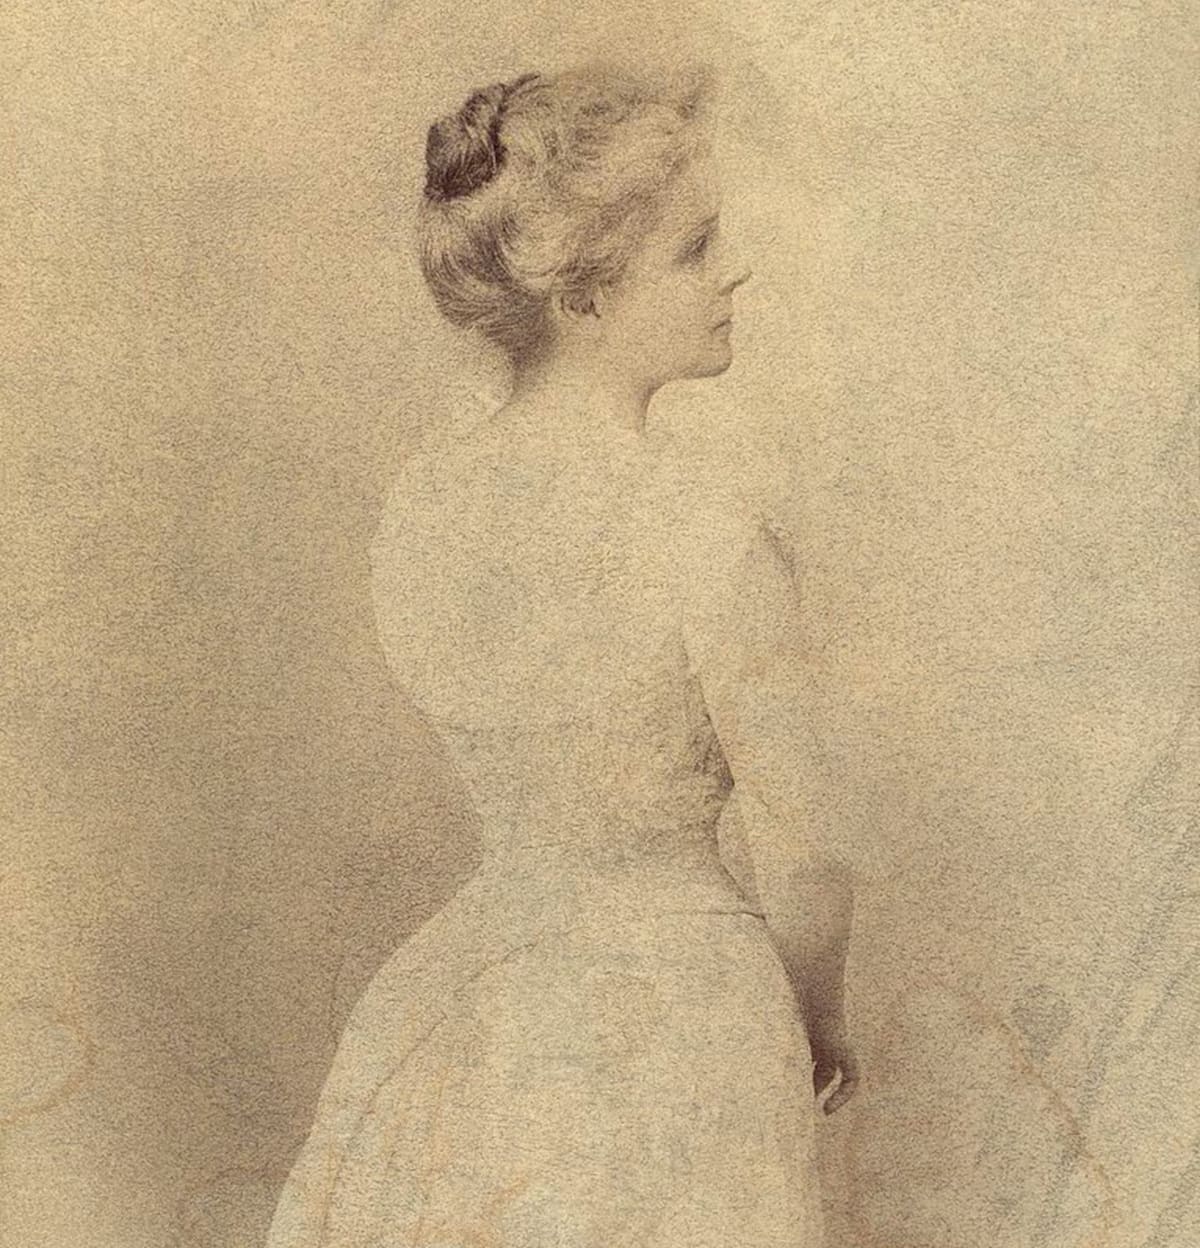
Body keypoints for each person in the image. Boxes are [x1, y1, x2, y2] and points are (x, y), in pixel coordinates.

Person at [266, 58, 858, 1248]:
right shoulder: (705, 524)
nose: (734, 272)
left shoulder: (424, 507)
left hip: (478, 999)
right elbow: (811, 852)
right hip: (686, 1007)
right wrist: (815, 1022)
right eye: (694, 250)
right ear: (583, 297)